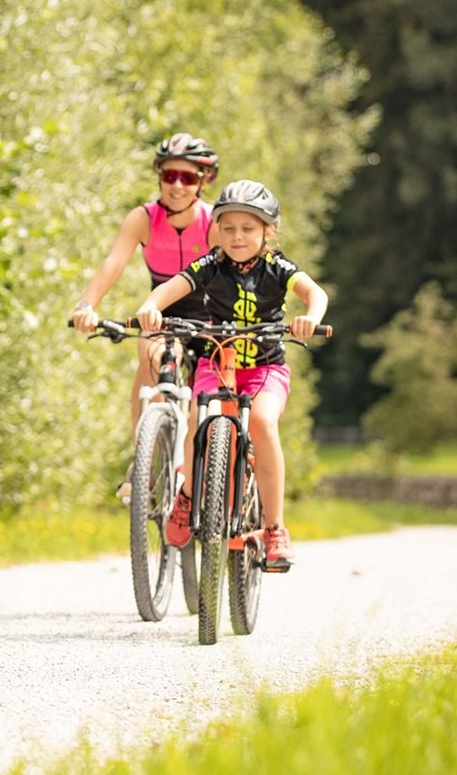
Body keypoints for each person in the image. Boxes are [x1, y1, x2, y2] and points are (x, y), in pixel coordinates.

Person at [133, 180, 328, 570]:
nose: (237, 237)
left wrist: (309, 318)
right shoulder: (211, 264)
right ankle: (188, 497)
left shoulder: (277, 267)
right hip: (217, 362)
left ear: (267, 232)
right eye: (228, 228)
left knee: (262, 422)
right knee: (196, 419)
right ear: (217, 230)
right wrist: (151, 307)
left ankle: (274, 528)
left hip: (265, 367)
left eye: (248, 229)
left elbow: (316, 293)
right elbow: (172, 287)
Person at [72, 133, 221, 503]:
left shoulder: (215, 222)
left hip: (210, 316)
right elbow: (113, 263)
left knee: (212, 397)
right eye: (169, 175)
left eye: (187, 178)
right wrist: (86, 306)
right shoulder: (143, 218)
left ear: (204, 181)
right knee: (150, 359)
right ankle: (143, 459)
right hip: (162, 313)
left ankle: (196, 466)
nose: (176, 185)